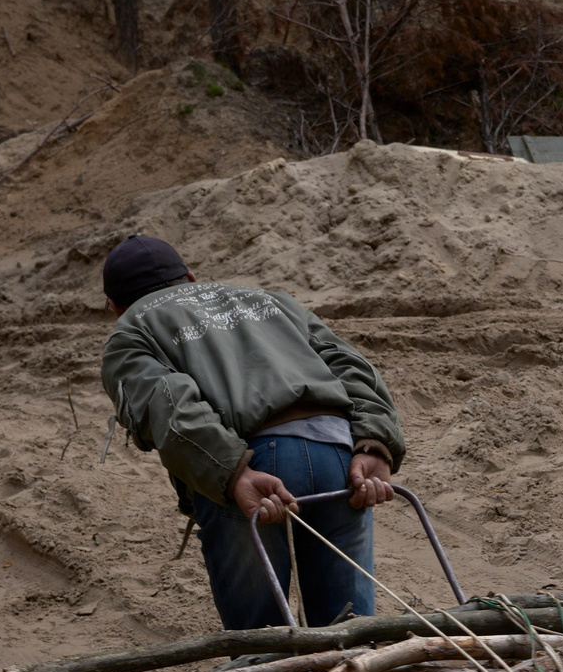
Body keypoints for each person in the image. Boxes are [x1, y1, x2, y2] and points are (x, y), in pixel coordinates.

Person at [97, 235, 405, 629]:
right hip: (339, 455)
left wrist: (234, 474)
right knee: (351, 633)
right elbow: (349, 364)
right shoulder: (270, 300)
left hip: (254, 467)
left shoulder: (129, 333)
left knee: (262, 644)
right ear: (191, 278)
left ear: (114, 306)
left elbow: (169, 403)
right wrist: (374, 445)